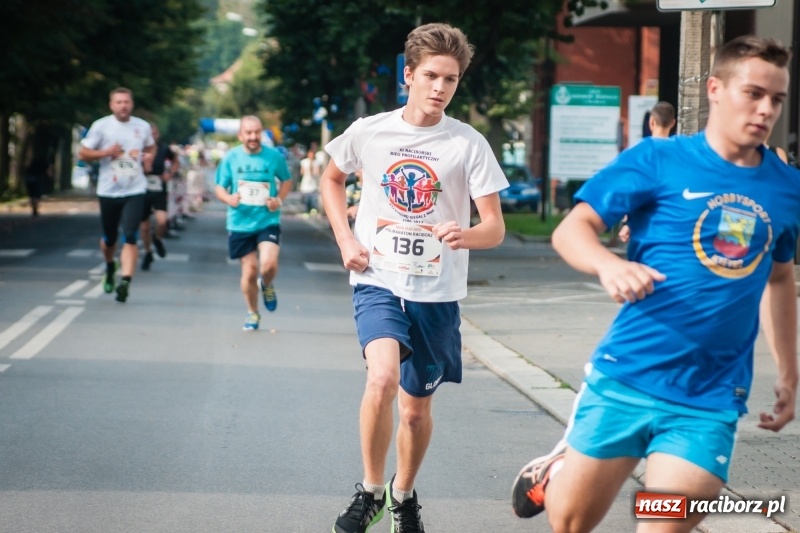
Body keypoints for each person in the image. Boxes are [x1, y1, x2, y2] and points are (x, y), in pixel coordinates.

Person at [511, 35, 799, 533]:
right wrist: (608, 265)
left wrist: (789, 373)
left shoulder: (787, 189)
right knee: (570, 521)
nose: (766, 109)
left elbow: (779, 279)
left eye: (776, 99)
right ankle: (555, 471)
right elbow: (571, 229)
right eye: (753, 93)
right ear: (715, 88)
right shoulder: (658, 160)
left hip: (708, 397)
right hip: (627, 377)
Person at [321, 23, 508, 533]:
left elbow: (494, 228)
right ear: (409, 75)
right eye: (431, 75)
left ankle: (403, 495)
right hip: (378, 277)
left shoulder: (468, 144)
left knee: (413, 412)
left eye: (451, 79)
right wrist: (345, 239)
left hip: (436, 290)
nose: (440, 88)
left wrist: (462, 235)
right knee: (380, 378)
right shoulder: (370, 131)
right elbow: (331, 179)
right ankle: (370, 491)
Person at [214, 116, 292, 331]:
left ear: (262, 133)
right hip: (240, 223)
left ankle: (266, 284)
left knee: (268, 265)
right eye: (248, 132)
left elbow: (286, 180)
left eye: (256, 132)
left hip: (267, 219)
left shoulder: (274, 156)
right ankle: (252, 312)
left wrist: (279, 200)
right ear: (240, 135)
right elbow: (219, 187)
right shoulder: (231, 158)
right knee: (249, 271)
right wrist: (228, 198)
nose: (253, 137)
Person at [78, 87, 155, 303]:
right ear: (111, 105)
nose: (123, 105)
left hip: (135, 188)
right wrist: (105, 153)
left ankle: (126, 282)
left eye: (127, 102)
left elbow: (151, 147)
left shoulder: (142, 126)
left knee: (130, 235)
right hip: (108, 190)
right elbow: (82, 153)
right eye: (119, 102)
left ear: (132, 104)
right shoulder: (101, 126)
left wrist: (148, 159)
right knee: (110, 238)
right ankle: (111, 266)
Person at [618, 101, 676, 243]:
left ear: (651, 122)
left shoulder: (636, 154)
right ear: (673, 123)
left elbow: (632, 190)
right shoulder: (682, 154)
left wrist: (627, 223)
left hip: (644, 227)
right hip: (672, 226)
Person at [140, 123, 179, 271]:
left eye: (155, 132)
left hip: (158, 188)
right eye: (150, 133)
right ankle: (148, 252)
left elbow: (176, 161)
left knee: (162, 221)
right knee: (144, 226)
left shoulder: (164, 148)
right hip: (142, 189)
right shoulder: (139, 148)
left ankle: (157, 239)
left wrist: (170, 174)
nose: (152, 135)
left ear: (158, 135)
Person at [298, 149, 321, 214]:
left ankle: (313, 210)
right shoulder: (304, 162)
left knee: (313, 198)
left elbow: (317, 172)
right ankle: (306, 210)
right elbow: (302, 172)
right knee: (306, 198)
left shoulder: (316, 162)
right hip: (306, 182)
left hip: (313, 183)